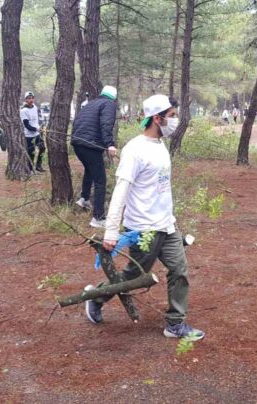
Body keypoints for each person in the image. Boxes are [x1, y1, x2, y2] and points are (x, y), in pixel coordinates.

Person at [84, 94, 205, 342]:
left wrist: (170, 219)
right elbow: (120, 191)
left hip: (166, 225)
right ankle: (96, 297)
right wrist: (111, 232)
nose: (175, 120)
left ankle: (175, 324)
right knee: (134, 277)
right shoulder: (134, 150)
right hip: (143, 229)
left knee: (179, 270)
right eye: (171, 116)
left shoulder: (160, 146)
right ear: (157, 118)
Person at [71, 85, 118, 228]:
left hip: (77, 143)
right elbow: (106, 124)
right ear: (114, 97)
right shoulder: (109, 104)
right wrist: (109, 144)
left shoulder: (91, 103)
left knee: (90, 170)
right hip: (90, 145)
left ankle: (84, 198)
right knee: (100, 180)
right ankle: (98, 218)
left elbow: (77, 122)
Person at [20, 91, 45, 172]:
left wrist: (40, 127)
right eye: (29, 98)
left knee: (42, 148)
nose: (31, 100)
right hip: (29, 136)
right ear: (26, 100)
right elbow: (26, 125)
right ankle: (30, 169)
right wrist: (36, 129)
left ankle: (38, 165)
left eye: (32, 98)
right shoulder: (23, 110)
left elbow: (37, 120)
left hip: (37, 134)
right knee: (31, 153)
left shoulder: (35, 107)